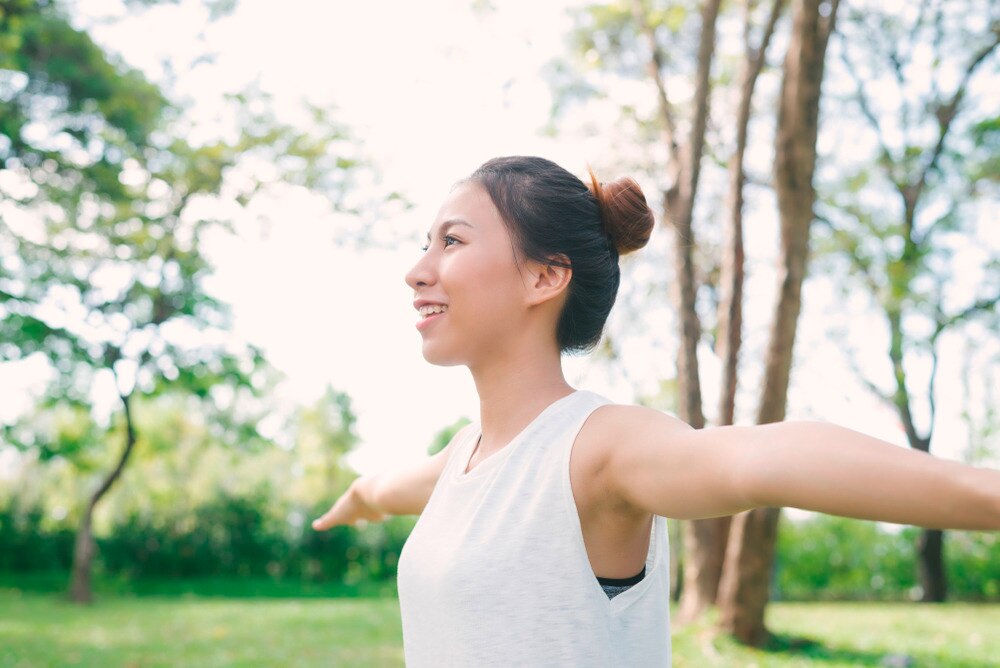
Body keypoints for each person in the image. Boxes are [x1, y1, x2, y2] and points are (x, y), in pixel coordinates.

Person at [312, 155, 1000, 666]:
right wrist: (355, 499)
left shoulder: (595, 448)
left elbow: (766, 459)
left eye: (452, 241)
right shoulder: (463, 459)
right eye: (425, 242)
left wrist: (984, 493)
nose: (418, 268)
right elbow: (386, 488)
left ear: (544, 276)